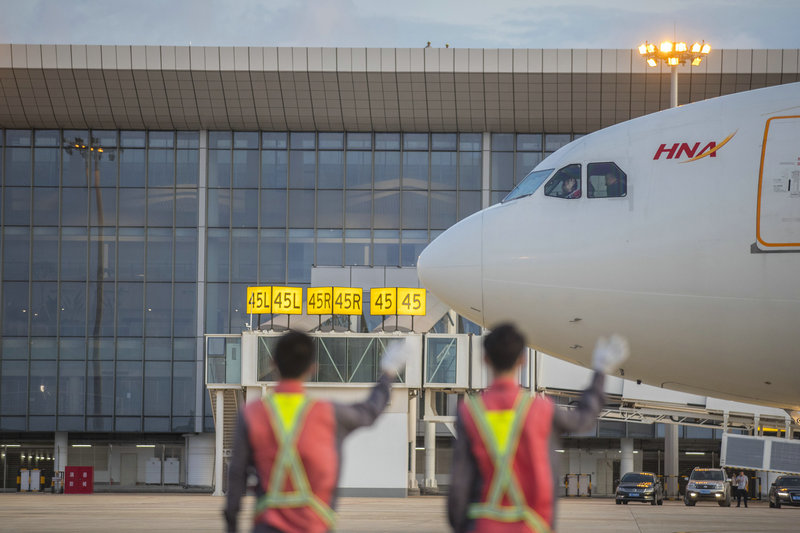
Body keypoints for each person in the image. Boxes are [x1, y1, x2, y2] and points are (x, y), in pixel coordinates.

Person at [448, 324, 628, 533]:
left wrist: (463, 526)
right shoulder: (541, 410)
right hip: (533, 526)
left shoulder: (470, 413)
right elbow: (584, 419)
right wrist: (600, 373)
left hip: (482, 526)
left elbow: (460, 483)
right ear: (523, 360)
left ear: (485, 359)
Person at [224, 330, 408, 533]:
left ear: (272, 363)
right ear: (313, 368)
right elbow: (370, 410)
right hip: (316, 526)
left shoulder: (251, 414)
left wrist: (231, 525)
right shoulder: (329, 414)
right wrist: (388, 374)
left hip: (267, 526)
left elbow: (236, 476)